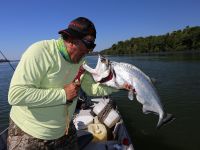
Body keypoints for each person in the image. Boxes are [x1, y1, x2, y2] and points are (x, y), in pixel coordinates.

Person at [7, 17, 132, 149]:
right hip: (30, 134)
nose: (90, 50)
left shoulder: (80, 62)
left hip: (65, 129)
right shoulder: (40, 52)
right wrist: (63, 95)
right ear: (72, 40)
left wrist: (119, 86)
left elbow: (91, 89)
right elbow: (16, 95)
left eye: (93, 45)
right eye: (89, 43)